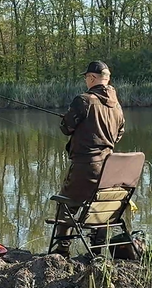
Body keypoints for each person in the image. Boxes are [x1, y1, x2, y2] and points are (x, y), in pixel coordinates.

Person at [50, 60, 125, 257]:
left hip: (86, 166)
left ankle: (62, 250)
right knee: (102, 205)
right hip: (109, 168)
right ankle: (98, 250)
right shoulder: (116, 105)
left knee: (65, 203)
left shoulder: (83, 100)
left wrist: (68, 120)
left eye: (86, 77)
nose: (85, 81)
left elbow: (66, 128)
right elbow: (119, 133)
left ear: (92, 78)